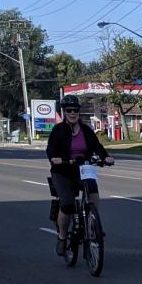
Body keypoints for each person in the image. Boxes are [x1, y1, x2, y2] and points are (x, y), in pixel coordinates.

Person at [46, 94, 114, 256]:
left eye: (75, 110)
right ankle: (62, 237)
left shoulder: (86, 131)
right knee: (68, 203)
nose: (72, 113)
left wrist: (106, 157)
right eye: (69, 110)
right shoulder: (58, 130)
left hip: (82, 168)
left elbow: (97, 146)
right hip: (62, 170)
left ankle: (93, 223)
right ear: (64, 112)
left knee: (93, 193)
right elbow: (51, 149)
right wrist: (55, 159)